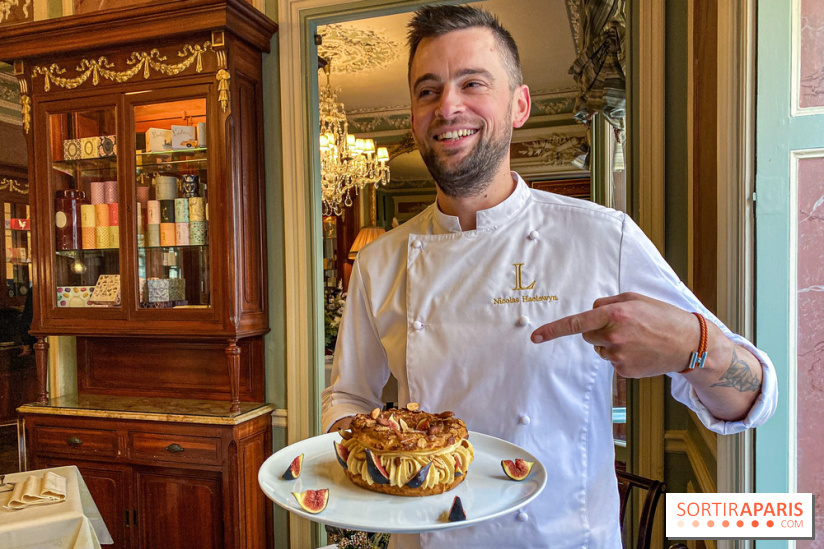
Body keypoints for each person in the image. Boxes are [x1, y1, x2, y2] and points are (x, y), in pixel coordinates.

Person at [321, 5, 777, 548]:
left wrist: (694, 346)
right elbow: (348, 395)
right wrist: (366, 445)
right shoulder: (380, 262)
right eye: (427, 90)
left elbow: (754, 399)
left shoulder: (603, 239)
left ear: (519, 105)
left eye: (473, 83)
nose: (448, 106)